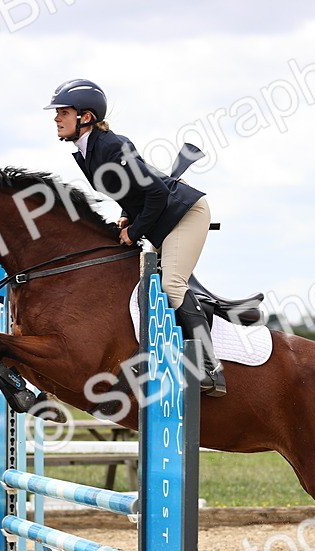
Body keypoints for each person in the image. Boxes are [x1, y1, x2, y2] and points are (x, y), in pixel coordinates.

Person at [44, 78, 226, 397]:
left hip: (185, 214)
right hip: (160, 216)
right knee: (136, 282)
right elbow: (133, 192)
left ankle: (210, 367)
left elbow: (155, 193)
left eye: (63, 112)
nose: (57, 118)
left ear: (85, 117)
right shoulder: (87, 151)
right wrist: (128, 214)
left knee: (171, 285)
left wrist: (135, 230)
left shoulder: (111, 146)